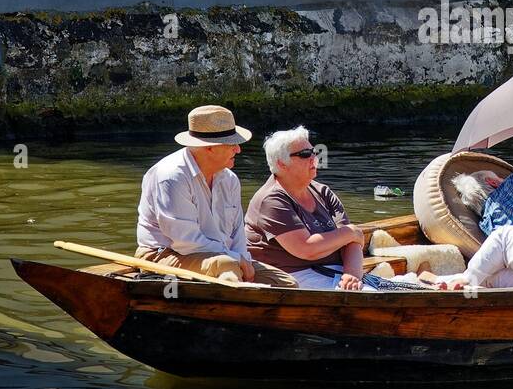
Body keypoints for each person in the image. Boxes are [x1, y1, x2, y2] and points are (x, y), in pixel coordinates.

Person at [135, 105, 297, 286]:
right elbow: (184, 241)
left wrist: (243, 259)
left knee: (286, 282)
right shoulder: (171, 177)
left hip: (222, 255)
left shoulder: (230, 179)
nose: (238, 150)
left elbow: (237, 233)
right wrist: (235, 258)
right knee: (227, 267)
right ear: (209, 148)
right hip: (165, 254)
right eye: (231, 144)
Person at [244, 126, 376, 290]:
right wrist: (349, 232)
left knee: (404, 287)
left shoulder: (322, 192)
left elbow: (352, 243)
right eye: (305, 154)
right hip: (293, 276)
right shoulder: (271, 200)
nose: (314, 157)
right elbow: (307, 249)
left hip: (335, 271)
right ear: (281, 163)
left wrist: (352, 275)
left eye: (314, 152)